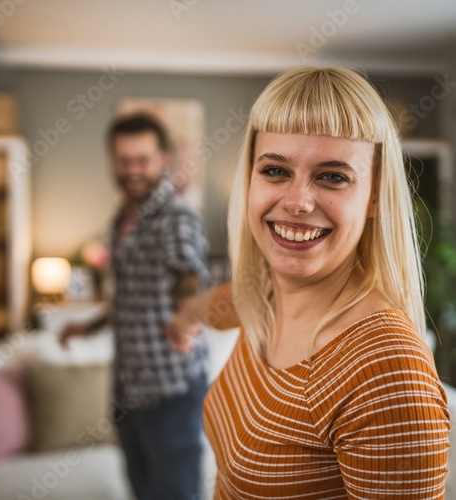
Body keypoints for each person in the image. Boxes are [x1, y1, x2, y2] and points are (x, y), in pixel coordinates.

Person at [166, 67, 451, 498]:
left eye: (333, 176)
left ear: (374, 195)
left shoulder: (388, 371)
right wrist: (184, 318)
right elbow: (223, 302)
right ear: (250, 179)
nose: (297, 202)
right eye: (275, 171)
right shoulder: (266, 295)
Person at [59, 113, 211, 500]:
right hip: (128, 389)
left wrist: (186, 313)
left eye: (142, 160)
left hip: (170, 392)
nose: (133, 170)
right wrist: (86, 327)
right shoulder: (123, 220)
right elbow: (131, 298)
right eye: (124, 161)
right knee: (141, 490)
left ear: (162, 160)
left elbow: (187, 274)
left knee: (175, 492)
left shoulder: (175, 219)